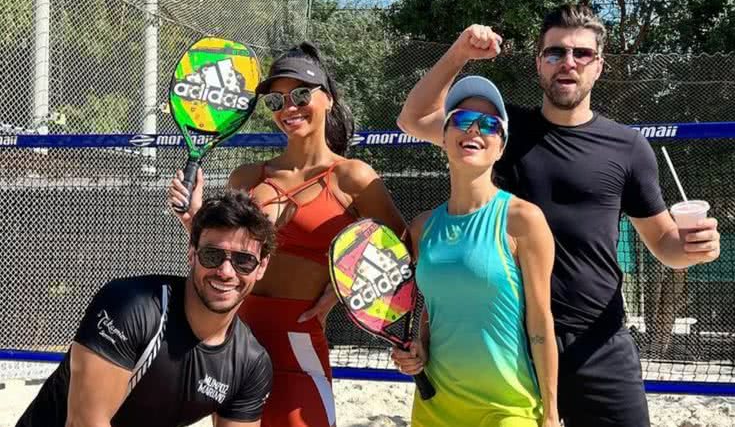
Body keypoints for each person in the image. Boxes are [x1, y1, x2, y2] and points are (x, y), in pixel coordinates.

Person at [395, 4, 721, 427]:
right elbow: (413, 118)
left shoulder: (628, 147)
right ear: (539, 64)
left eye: (581, 54)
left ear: (598, 66)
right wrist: (460, 52)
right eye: (555, 53)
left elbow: (665, 245)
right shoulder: (499, 130)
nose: (568, 62)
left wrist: (695, 246)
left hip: (596, 342)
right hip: (509, 344)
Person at [168, 41, 406, 427]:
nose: (288, 108)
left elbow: (400, 250)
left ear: (327, 98)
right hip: (235, 336)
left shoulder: (353, 178)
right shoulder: (247, 176)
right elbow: (221, 254)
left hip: (299, 341)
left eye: (299, 94)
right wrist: (194, 217)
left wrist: (344, 285)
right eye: (276, 102)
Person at [17, 191, 276, 427]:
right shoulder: (130, 306)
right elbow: (84, 423)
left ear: (262, 267)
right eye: (212, 256)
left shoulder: (251, 363)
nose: (225, 272)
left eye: (244, 261)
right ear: (192, 254)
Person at [391, 76, 559, 426]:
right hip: (435, 405)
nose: (474, 130)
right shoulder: (423, 227)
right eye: (463, 120)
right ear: (444, 138)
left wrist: (551, 413)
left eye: (489, 125)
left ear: (500, 147)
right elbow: (430, 311)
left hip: (507, 408)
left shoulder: (522, 220)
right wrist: (418, 348)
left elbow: (541, 322)